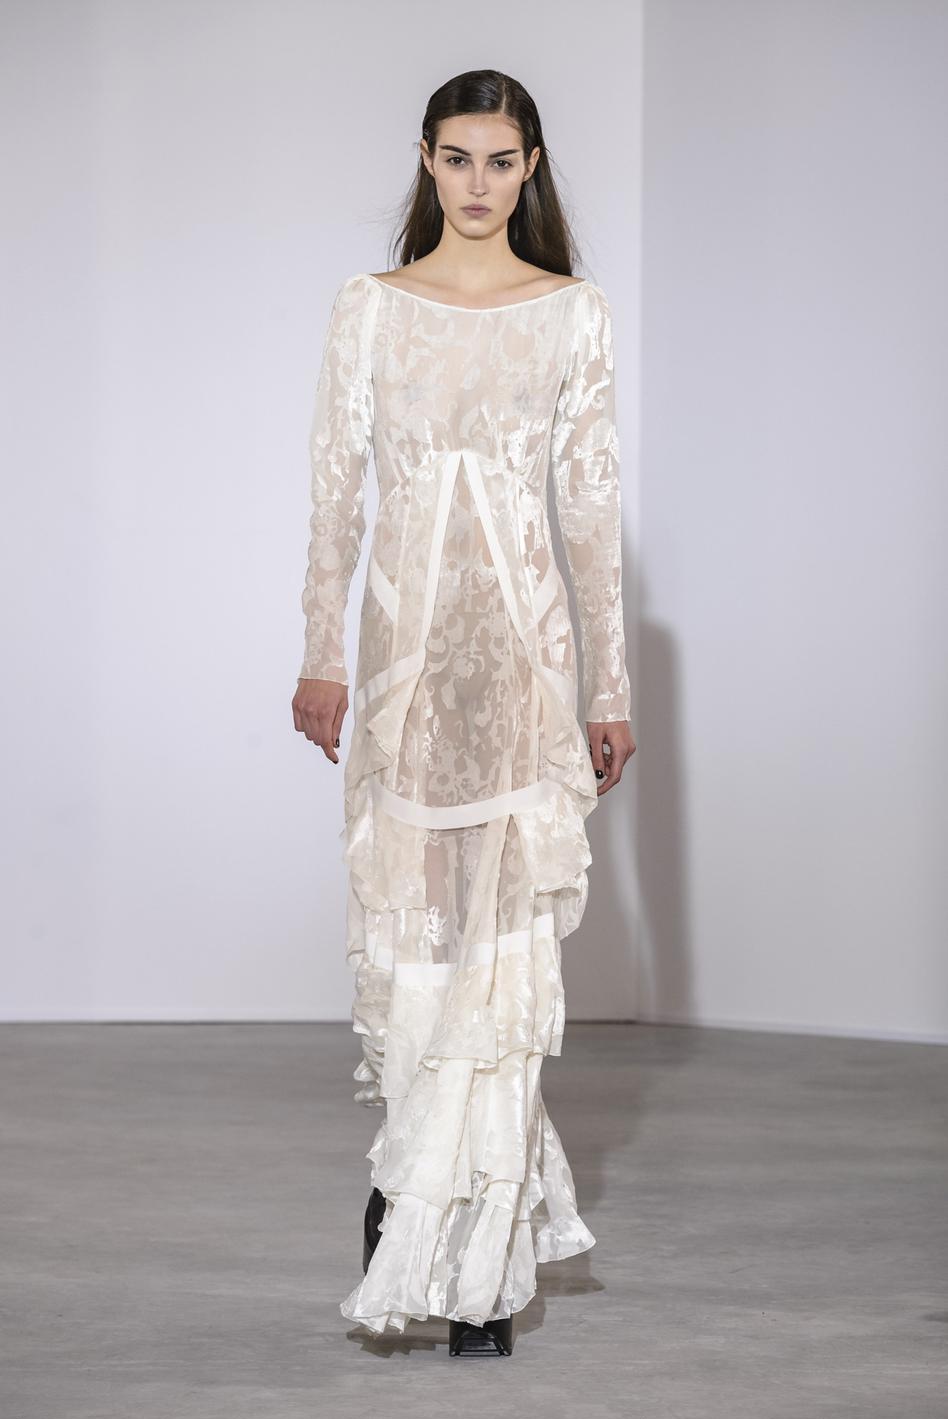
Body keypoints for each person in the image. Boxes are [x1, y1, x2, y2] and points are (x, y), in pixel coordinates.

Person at [292, 68, 636, 1351]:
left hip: (524, 671)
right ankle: (407, 1196)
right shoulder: (371, 309)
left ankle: (482, 1263)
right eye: (456, 157)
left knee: (504, 959)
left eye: (500, 159)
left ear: (530, 166)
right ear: (426, 161)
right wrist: (320, 655)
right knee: (416, 943)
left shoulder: (571, 314)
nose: (478, 182)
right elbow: (335, 493)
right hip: (405, 673)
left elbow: (591, 507)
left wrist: (608, 686)